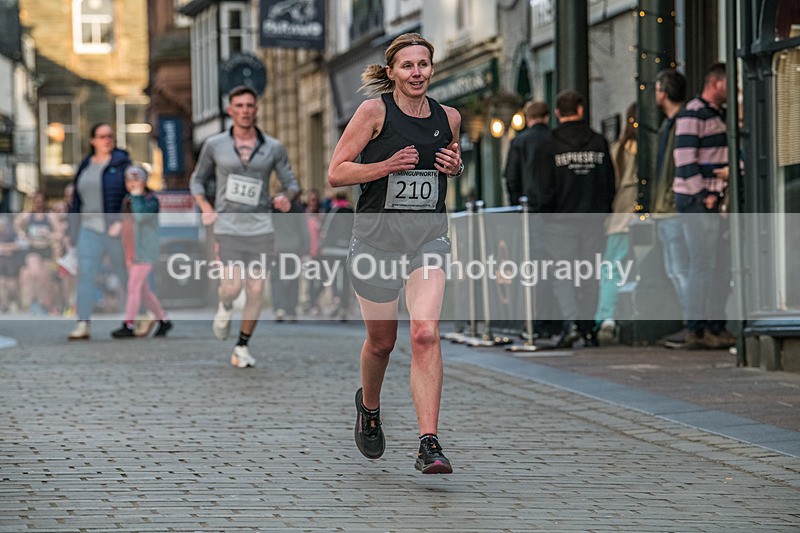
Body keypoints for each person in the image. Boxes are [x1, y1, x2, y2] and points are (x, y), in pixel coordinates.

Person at [328, 33, 463, 474]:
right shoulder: (374, 112)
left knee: (424, 332)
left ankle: (429, 442)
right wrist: (385, 166)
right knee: (383, 343)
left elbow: (450, 163)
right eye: (407, 66)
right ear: (391, 73)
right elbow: (336, 172)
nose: (417, 72)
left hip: (427, 237)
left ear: (432, 68)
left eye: (423, 64)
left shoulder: (450, 117)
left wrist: (455, 167)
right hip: (376, 241)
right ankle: (369, 407)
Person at [190, 85, 300, 368]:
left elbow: (292, 183)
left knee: (254, 290)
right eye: (239, 106)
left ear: (256, 109)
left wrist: (286, 198)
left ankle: (241, 346)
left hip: (261, 228)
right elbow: (197, 180)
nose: (245, 111)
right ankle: (224, 305)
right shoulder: (215, 145)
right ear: (230, 110)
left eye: (249, 106)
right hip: (228, 227)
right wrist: (205, 206)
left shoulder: (273, 147)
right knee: (232, 287)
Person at [531, 89, 616, 348]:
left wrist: (545, 211)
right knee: (590, 273)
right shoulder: (599, 142)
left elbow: (541, 187)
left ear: (557, 113)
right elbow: (609, 182)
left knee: (563, 273)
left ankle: (571, 324)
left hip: (559, 220)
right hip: (592, 218)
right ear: (581, 110)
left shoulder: (548, 144)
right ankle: (589, 328)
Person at [673, 62, 735, 350]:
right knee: (704, 264)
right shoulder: (693, 113)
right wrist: (702, 195)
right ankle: (698, 328)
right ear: (715, 82)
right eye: (728, 82)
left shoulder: (720, 115)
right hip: (700, 203)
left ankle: (714, 325)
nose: (732, 88)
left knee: (719, 266)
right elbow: (685, 160)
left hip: (716, 201)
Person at [67, 123, 131, 340]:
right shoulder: (85, 165)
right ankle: (83, 323)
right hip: (88, 227)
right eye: (102, 136)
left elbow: (132, 196)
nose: (107, 140)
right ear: (92, 140)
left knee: (124, 273)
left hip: (113, 228)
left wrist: (122, 221)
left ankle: (138, 316)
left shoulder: (122, 163)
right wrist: (72, 232)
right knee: (86, 274)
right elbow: (76, 201)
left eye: (110, 136)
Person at [652, 68, 691, 348]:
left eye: (656, 89)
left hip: (673, 207)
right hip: (668, 207)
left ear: (663, 93)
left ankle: (693, 324)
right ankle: (691, 323)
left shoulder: (679, 124)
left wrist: (667, 199)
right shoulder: (671, 124)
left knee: (680, 270)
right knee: (676, 270)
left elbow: (672, 169)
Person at [111, 165, 172, 338]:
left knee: (133, 287)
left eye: (137, 180)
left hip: (145, 251)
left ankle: (128, 324)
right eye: (130, 180)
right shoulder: (127, 199)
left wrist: (137, 198)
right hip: (131, 250)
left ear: (144, 181)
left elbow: (140, 217)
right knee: (143, 291)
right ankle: (164, 321)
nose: (133, 184)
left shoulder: (151, 200)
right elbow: (128, 222)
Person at [595, 103, 638, 342]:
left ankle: (606, 317)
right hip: (648, 217)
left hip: (620, 217)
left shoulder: (618, 150)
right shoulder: (650, 147)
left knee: (611, 268)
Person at [15, 191, 62, 315]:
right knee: (35, 272)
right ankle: (31, 303)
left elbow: (59, 233)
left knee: (45, 277)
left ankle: (43, 303)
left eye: (41, 202)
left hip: (46, 249)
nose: (38, 204)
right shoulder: (26, 215)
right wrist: (23, 234)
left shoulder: (50, 216)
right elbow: (16, 225)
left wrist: (49, 235)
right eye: (36, 202)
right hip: (33, 249)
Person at [504, 100, 551, 206]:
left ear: (527, 118)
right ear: (546, 117)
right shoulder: (556, 138)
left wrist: (517, 204)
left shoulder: (518, 141)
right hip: (555, 208)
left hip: (529, 205)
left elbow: (511, 178)